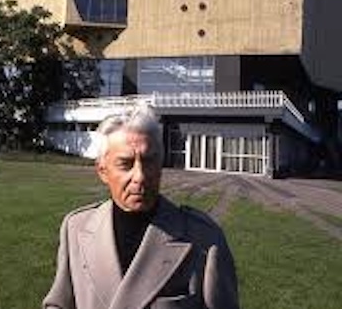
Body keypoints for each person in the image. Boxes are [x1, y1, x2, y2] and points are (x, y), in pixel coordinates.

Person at [43, 104, 239, 309]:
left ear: (161, 164)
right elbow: (59, 302)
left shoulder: (204, 239)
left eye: (149, 161)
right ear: (102, 171)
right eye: (125, 164)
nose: (140, 176)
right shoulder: (75, 228)